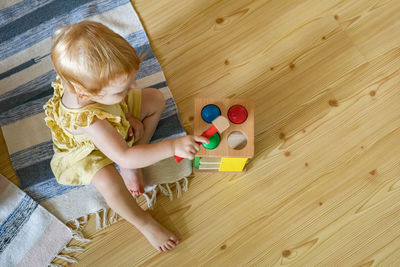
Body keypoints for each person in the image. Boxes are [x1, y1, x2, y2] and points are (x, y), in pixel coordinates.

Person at [43, 20, 208, 252]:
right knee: (109, 182)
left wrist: (128, 114)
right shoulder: (93, 124)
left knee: (155, 99)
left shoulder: (84, 80)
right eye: (122, 89)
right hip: (88, 151)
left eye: (130, 82)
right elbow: (125, 157)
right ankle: (144, 223)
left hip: (111, 116)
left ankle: (136, 154)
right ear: (84, 93)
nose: (133, 87)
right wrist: (172, 147)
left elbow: (115, 103)